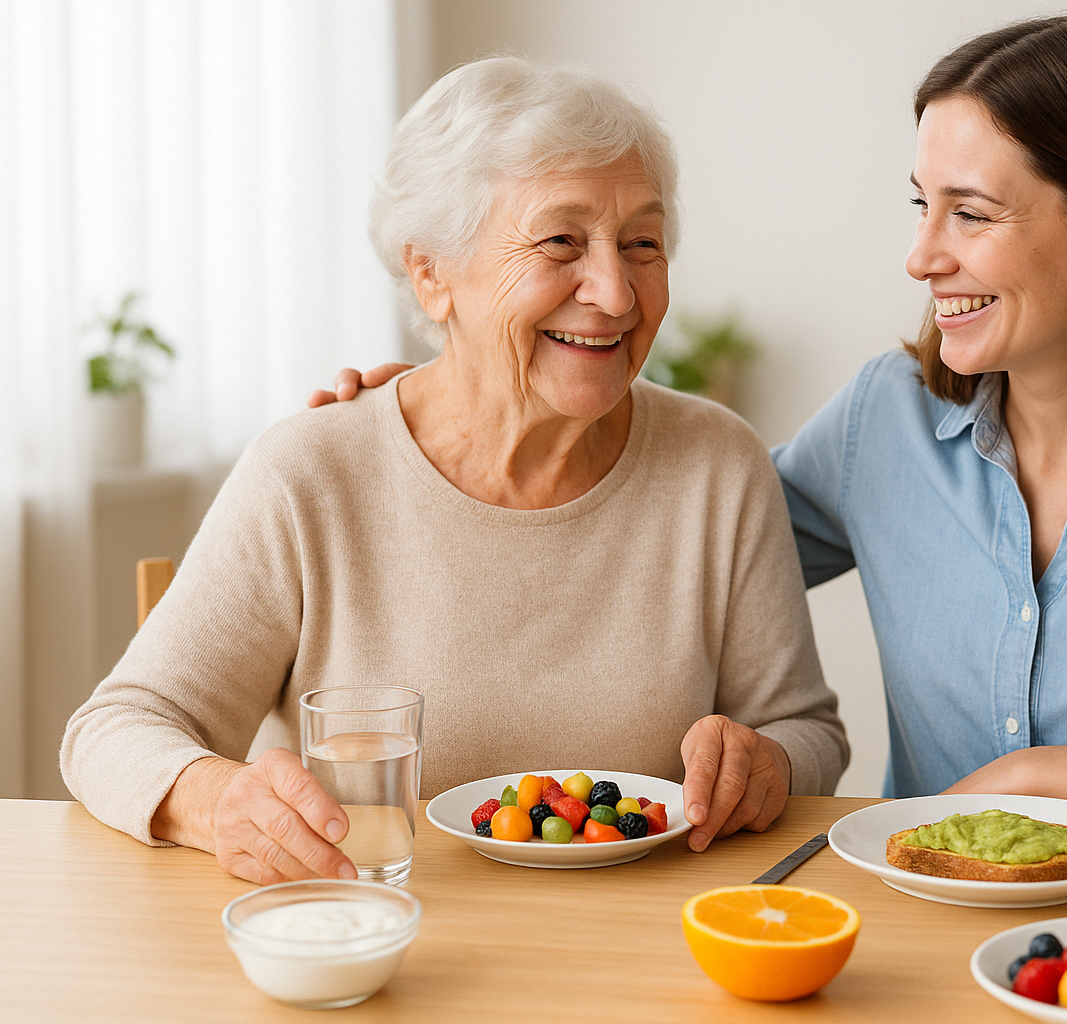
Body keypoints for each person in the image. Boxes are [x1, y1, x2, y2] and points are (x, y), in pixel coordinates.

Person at [319, 13, 1067, 847]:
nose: (922, 256)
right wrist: (457, 411)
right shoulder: (887, 422)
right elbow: (654, 540)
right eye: (920, 205)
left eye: (971, 215)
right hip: (911, 931)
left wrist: (1037, 778)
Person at [60, 56, 848, 886]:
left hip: (654, 957)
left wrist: (763, 764)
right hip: (386, 941)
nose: (616, 293)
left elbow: (805, 729)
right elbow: (117, 729)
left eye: (642, 243)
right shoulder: (314, 473)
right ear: (433, 274)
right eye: (560, 242)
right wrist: (218, 801)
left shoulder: (717, 463)